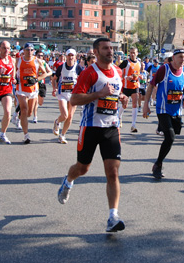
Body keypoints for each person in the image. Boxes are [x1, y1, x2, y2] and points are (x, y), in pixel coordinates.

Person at [56, 37, 129, 233]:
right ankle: (68, 181)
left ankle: (113, 216)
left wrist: (121, 97)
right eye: (105, 48)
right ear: (96, 52)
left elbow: (114, 92)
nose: (110, 51)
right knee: (82, 168)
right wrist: (99, 94)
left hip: (112, 127)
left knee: (112, 172)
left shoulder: (118, 72)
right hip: (91, 127)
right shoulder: (89, 73)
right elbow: (74, 98)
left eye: (111, 48)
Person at [142, 49, 184, 180]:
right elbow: (151, 85)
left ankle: (161, 128)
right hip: (163, 109)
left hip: (177, 110)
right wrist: (146, 105)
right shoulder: (164, 69)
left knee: (172, 135)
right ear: (173, 58)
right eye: (180, 57)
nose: (183, 59)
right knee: (170, 137)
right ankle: (158, 164)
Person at [16, 43, 51, 144]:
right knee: (24, 109)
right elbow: (13, 71)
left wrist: (36, 79)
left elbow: (45, 73)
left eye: (31, 50)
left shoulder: (37, 60)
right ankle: (26, 135)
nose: (29, 52)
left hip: (33, 90)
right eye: (27, 50)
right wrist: (14, 78)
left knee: (29, 113)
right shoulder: (18, 60)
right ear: (24, 51)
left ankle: (19, 117)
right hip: (21, 89)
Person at [52, 49, 83, 144]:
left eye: (72, 55)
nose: (70, 57)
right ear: (66, 56)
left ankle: (62, 135)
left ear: (75, 57)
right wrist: (54, 88)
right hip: (62, 94)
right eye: (69, 55)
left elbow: (83, 80)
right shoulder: (61, 67)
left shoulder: (78, 68)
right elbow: (54, 79)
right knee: (64, 115)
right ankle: (57, 122)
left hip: (73, 95)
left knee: (70, 117)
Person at [118, 47, 141, 134]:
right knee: (125, 105)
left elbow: (138, 73)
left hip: (135, 86)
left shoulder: (139, 63)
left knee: (135, 104)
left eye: (134, 53)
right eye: (131, 53)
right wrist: (126, 77)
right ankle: (119, 117)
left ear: (137, 53)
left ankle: (133, 125)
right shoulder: (126, 62)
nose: (132, 54)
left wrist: (140, 77)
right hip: (126, 87)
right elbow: (118, 71)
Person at [31, 49, 52, 123]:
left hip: (42, 83)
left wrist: (45, 74)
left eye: (41, 56)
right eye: (38, 55)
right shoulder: (33, 63)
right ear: (36, 56)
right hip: (35, 83)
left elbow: (50, 72)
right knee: (36, 100)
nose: (40, 57)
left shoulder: (44, 63)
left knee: (40, 102)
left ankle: (34, 107)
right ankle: (35, 116)